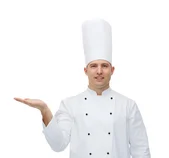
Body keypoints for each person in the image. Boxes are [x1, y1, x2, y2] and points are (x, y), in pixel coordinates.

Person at [13, 18, 151, 158]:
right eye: (93, 66)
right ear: (85, 70)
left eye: (104, 66)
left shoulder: (128, 105)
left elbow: (141, 150)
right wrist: (44, 110)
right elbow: (58, 144)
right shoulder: (70, 105)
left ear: (112, 70)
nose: (99, 71)